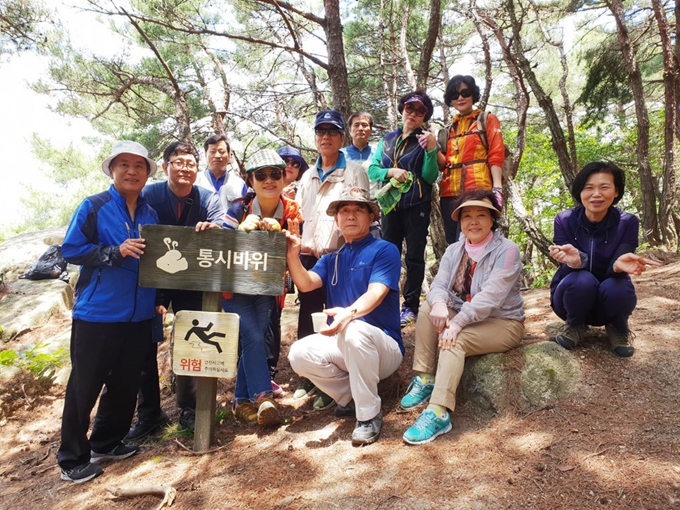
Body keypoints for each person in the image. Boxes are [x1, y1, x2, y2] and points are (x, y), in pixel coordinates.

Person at [57, 141, 159, 483]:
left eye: (139, 166)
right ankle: (72, 459)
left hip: (140, 314)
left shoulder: (150, 214)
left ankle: (107, 442)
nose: (132, 171)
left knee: (126, 383)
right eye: (124, 164)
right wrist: (114, 252)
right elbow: (71, 249)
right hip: (97, 314)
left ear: (146, 173)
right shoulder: (94, 206)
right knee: (84, 386)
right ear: (112, 170)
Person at [400, 190, 525, 445]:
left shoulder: (507, 251)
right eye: (467, 216)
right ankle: (426, 377)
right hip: (464, 312)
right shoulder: (454, 250)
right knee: (426, 310)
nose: (474, 221)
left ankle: (438, 411)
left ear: (493, 219)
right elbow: (440, 284)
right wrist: (438, 304)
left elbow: (491, 296)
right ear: (459, 221)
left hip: (503, 322)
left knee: (453, 341)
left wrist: (456, 324)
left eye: (481, 215)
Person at [286, 187, 403, 445]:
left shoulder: (385, 250)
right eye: (344, 211)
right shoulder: (331, 259)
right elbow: (306, 284)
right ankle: (350, 397)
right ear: (337, 219)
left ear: (371, 217)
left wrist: (349, 314)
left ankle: (369, 415)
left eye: (358, 210)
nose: (350, 216)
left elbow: (377, 293)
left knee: (354, 330)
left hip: (384, 346)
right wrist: (292, 254)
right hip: (346, 344)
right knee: (298, 353)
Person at [125, 141, 224, 440]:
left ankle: (191, 409)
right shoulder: (149, 194)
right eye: (178, 161)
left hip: (192, 281)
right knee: (143, 345)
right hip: (151, 281)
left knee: (193, 340)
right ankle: (149, 413)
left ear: (197, 168)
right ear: (166, 166)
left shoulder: (207, 198)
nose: (185, 167)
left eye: (190, 163)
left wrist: (216, 229)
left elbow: (222, 226)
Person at [220, 149, 303, 426]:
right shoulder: (238, 209)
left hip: (268, 289)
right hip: (234, 289)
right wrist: (242, 230)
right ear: (250, 181)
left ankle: (240, 402)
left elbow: (296, 247)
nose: (269, 180)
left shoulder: (291, 209)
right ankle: (263, 396)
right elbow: (218, 247)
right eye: (261, 175)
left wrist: (280, 233)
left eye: (275, 174)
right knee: (253, 336)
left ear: (284, 178)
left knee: (253, 339)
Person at [294, 110, 370, 409]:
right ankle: (310, 377)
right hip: (309, 255)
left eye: (332, 132)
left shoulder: (353, 171)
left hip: (341, 254)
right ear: (315, 138)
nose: (325, 137)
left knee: (336, 313)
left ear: (341, 138)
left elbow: (362, 212)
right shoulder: (306, 176)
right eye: (320, 131)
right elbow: (299, 216)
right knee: (308, 312)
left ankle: (334, 379)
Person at [549, 162, 659, 357]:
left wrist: (617, 266)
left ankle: (618, 327)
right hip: (569, 300)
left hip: (608, 301)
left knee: (618, 286)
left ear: (616, 191)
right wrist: (575, 262)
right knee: (582, 279)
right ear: (580, 191)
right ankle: (575, 326)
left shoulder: (627, 222)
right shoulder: (564, 220)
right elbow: (567, 266)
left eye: (604, 187)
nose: (596, 194)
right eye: (589, 188)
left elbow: (619, 261)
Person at [368, 90, 439, 327]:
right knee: (389, 256)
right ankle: (386, 303)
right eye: (410, 108)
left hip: (416, 204)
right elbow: (373, 170)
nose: (414, 114)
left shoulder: (425, 139)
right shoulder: (386, 140)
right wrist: (391, 172)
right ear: (402, 109)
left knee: (414, 257)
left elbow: (430, 176)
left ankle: (410, 307)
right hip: (390, 206)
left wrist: (430, 149)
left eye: (421, 111)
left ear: (424, 117)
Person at [437, 75, 505, 244]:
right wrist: (431, 148)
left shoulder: (486, 119)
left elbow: (496, 153)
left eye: (465, 93)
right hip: (449, 194)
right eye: (454, 95)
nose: (460, 98)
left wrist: (497, 188)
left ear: (473, 95)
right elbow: (443, 164)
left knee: (477, 239)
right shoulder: (448, 129)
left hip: (478, 190)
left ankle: (481, 271)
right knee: (454, 243)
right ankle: (458, 272)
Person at [195, 134, 248, 215]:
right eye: (212, 152)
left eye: (221, 152)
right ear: (206, 155)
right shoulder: (195, 180)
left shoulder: (239, 184)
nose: (217, 156)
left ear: (229, 155)